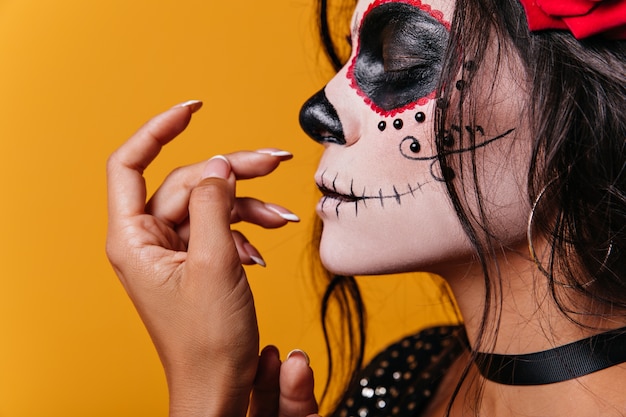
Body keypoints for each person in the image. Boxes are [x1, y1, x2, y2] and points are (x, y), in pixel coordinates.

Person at [106, 0, 626, 416]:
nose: (320, 112)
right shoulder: (408, 376)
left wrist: (205, 389)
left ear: (588, 103)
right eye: (349, 57)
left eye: (404, 57)